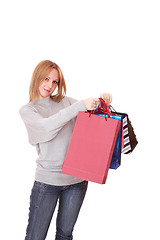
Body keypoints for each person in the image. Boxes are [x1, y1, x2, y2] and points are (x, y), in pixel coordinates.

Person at [19, 60, 112, 240]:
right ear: (37, 77)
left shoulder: (66, 102)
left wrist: (103, 103)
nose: (50, 85)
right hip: (47, 182)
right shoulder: (28, 110)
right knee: (35, 236)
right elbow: (46, 128)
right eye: (46, 79)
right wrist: (79, 107)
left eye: (55, 81)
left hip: (77, 181)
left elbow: (94, 121)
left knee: (65, 234)